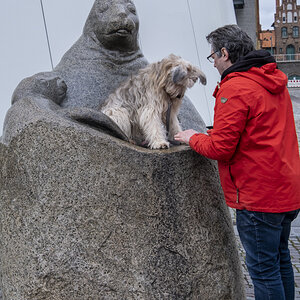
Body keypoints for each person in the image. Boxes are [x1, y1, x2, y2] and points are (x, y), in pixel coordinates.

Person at [174, 24, 300, 300]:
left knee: (264, 271)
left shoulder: (237, 87)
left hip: (258, 197)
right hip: (286, 189)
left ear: (225, 53)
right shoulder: (271, 78)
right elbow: (256, 131)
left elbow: (221, 148)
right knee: (280, 262)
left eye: (213, 57)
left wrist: (192, 137)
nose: (214, 63)